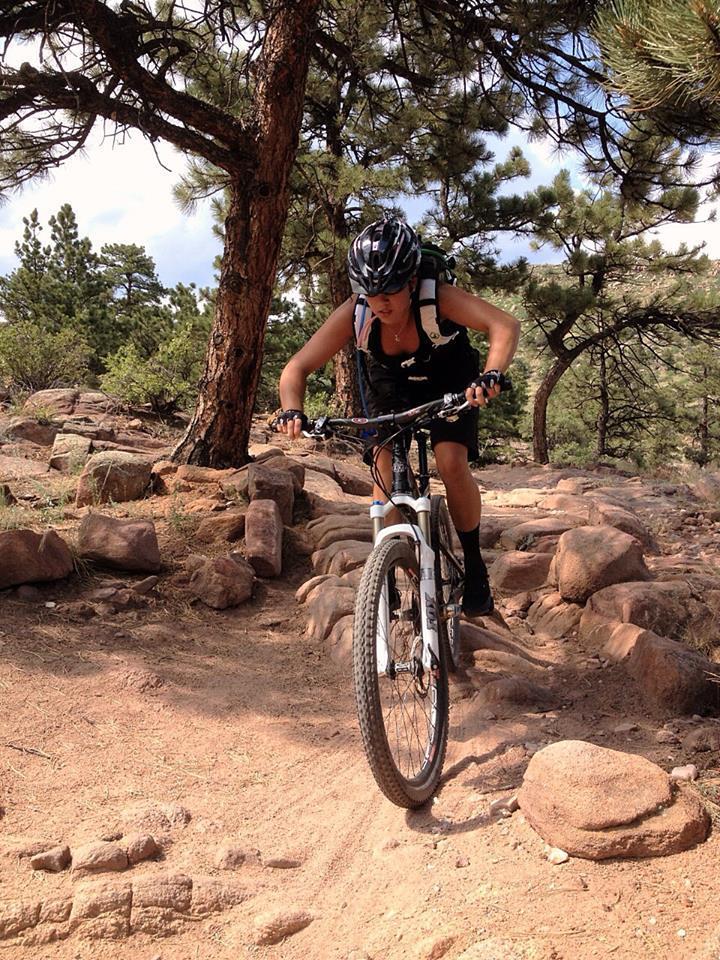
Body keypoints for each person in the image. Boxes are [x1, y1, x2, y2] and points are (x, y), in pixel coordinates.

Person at [275, 216, 520, 617]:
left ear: (409, 281)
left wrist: (491, 373)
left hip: (449, 376)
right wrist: (292, 409)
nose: (380, 301)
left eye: (389, 289)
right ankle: (383, 574)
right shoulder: (356, 313)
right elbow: (296, 368)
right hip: (387, 385)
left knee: (451, 461)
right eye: (370, 292)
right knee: (383, 470)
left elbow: (504, 325)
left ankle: (474, 566)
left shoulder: (437, 297)